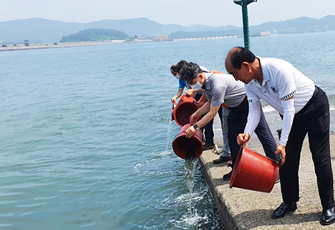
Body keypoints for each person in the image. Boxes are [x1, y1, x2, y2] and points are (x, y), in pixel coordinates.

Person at [225, 47, 335, 225]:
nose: (234, 78)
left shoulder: (278, 69)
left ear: (246, 66)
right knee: (286, 159)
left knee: (319, 157)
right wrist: (247, 132)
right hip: (290, 115)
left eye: (234, 73)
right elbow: (254, 110)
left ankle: (329, 206)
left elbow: (289, 109)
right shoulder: (249, 82)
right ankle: (289, 201)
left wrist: (282, 142)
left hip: (314, 108)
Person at [180, 62, 277, 180]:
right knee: (233, 138)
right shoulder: (207, 83)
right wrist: (196, 114)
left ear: (200, 76)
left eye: (192, 83)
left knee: (263, 134)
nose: (191, 86)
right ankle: (237, 171)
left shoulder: (216, 85)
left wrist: (195, 127)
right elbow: (210, 103)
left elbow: (212, 113)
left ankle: (277, 170)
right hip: (235, 108)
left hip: (248, 104)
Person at [170, 60, 215, 150]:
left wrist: (194, 92)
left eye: (177, 73)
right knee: (199, 118)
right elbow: (184, 91)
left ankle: (209, 142)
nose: (178, 76)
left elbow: (205, 89)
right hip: (203, 97)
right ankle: (200, 138)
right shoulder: (184, 79)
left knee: (207, 120)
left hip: (208, 96)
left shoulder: (199, 73)